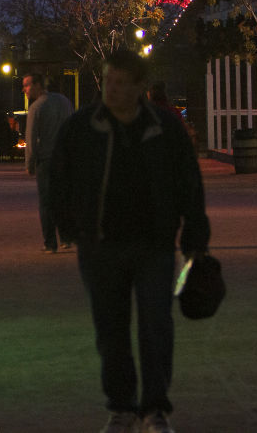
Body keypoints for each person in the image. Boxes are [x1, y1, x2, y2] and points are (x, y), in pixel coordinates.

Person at [46, 50, 210, 433]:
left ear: (140, 87)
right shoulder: (81, 127)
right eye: (108, 80)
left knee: (156, 326)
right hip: (100, 246)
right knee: (111, 329)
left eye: (121, 82)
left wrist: (195, 233)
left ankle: (155, 409)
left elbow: (189, 182)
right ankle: (121, 407)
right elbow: (58, 178)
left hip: (153, 244)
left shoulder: (166, 129)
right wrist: (69, 226)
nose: (112, 89)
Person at [22, 73, 74, 253]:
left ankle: (50, 242)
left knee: (46, 202)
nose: (25, 89)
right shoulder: (64, 101)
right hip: (65, 158)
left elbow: (31, 137)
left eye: (27, 85)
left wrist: (29, 163)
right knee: (63, 198)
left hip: (47, 159)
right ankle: (66, 237)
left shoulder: (36, 107)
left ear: (37, 85)